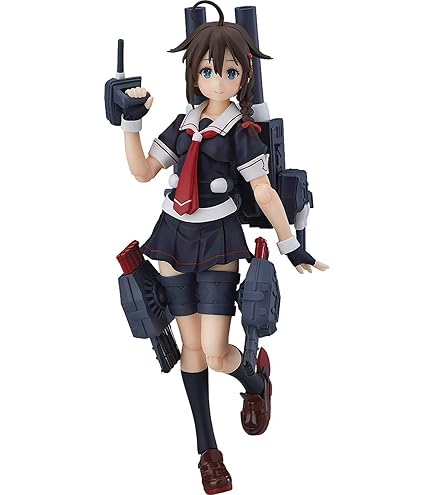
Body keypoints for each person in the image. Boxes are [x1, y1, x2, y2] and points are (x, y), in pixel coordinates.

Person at [119, 2, 328, 493]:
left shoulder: (242, 134)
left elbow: (265, 193)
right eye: (208, 71)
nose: (217, 80)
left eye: (229, 71)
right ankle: (207, 451)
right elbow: (143, 172)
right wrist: (129, 123)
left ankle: (256, 382)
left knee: (215, 353)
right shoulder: (182, 125)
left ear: (244, 76)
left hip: (218, 240)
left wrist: (290, 243)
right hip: (171, 238)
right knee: (190, 349)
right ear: (194, 73)